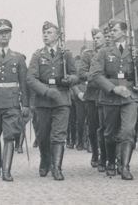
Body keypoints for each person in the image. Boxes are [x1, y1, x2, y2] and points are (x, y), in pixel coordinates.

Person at [90, 20, 138, 180]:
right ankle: (111, 161)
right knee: (110, 133)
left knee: (128, 130)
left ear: (124, 31)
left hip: (130, 96)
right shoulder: (104, 52)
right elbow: (95, 75)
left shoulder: (135, 51)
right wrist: (113, 88)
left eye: (114, 30)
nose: (111, 33)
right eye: (110, 30)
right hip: (110, 97)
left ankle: (125, 166)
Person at [27, 21, 79, 181]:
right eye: (44, 33)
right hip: (43, 101)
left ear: (57, 36)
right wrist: (47, 91)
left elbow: (76, 75)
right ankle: (45, 160)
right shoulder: (37, 55)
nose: (46, 35)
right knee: (43, 135)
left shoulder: (66, 54)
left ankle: (56, 167)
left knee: (59, 134)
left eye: (49, 33)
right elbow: (30, 78)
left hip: (62, 99)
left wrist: (70, 79)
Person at [0, 19, 31, 182]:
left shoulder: (18, 58)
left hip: (11, 102)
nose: (4, 35)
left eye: (7, 32)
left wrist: (25, 104)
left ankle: (6, 170)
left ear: (10, 35)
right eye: (0, 33)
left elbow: (24, 83)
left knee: (9, 136)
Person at [79, 28, 105, 171]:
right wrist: (94, 77)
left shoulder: (109, 53)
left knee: (105, 127)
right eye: (94, 38)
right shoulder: (88, 55)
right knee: (93, 127)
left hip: (106, 94)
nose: (96, 40)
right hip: (92, 95)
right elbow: (82, 73)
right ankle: (95, 152)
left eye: (99, 37)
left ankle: (105, 156)